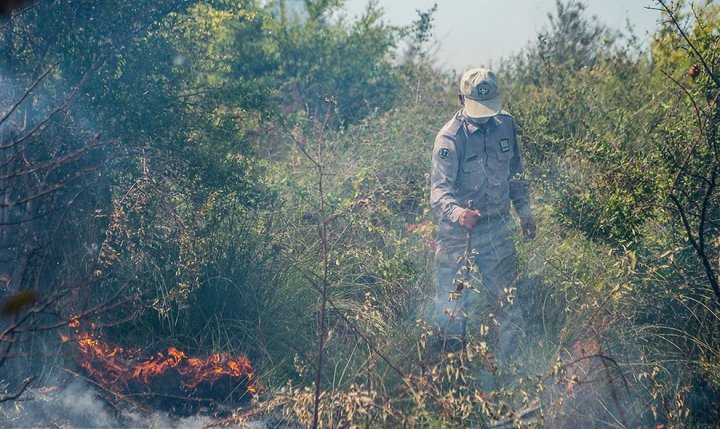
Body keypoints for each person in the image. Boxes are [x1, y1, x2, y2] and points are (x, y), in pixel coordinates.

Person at [429, 67, 536, 361]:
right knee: (452, 306)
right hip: (457, 234)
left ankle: (511, 372)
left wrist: (525, 213)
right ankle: (450, 376)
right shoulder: (449, 138)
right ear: (461, 99)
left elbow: (516, 173)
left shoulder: (506, 125)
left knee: (507, 302)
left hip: (498, 229)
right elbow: (438, 193)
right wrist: (458, 213)